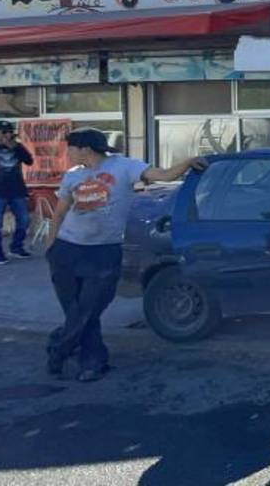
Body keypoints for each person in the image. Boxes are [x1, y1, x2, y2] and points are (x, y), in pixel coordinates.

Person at [45, 128, 207, 382]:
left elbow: (162, 175)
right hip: (67, 250)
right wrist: (50, 247)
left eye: (70, 148)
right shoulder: (72, 176)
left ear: (85, 148)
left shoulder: (124, 167)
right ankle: (93, 363)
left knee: (89, 309)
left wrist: (186, 163)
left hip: (103, 252)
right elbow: (59, 213)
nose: (68, 153)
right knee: (76, 312)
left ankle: (59, 349)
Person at [0, 121, 34, 265]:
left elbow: (29, 161)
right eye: (3, 132)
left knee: (24, 220)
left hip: (17, 190)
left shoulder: (16, 146)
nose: (7, 135)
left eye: (10, 132)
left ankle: (16, 247)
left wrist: (15, 147)